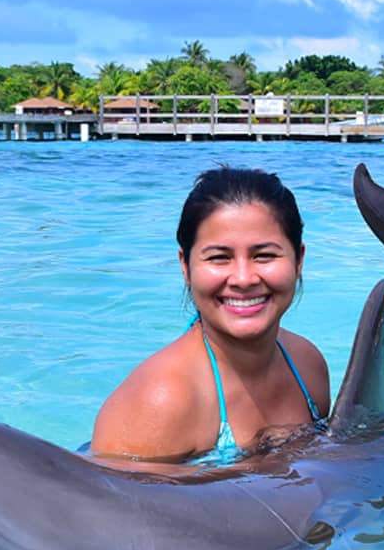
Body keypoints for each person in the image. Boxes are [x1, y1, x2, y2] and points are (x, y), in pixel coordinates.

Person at [91, 166, 330, 466]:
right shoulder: (160, 402)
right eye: (219, 257)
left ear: (299, 261)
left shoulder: (307, 365)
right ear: (185, 266)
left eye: (265, 255)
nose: (243, 278)